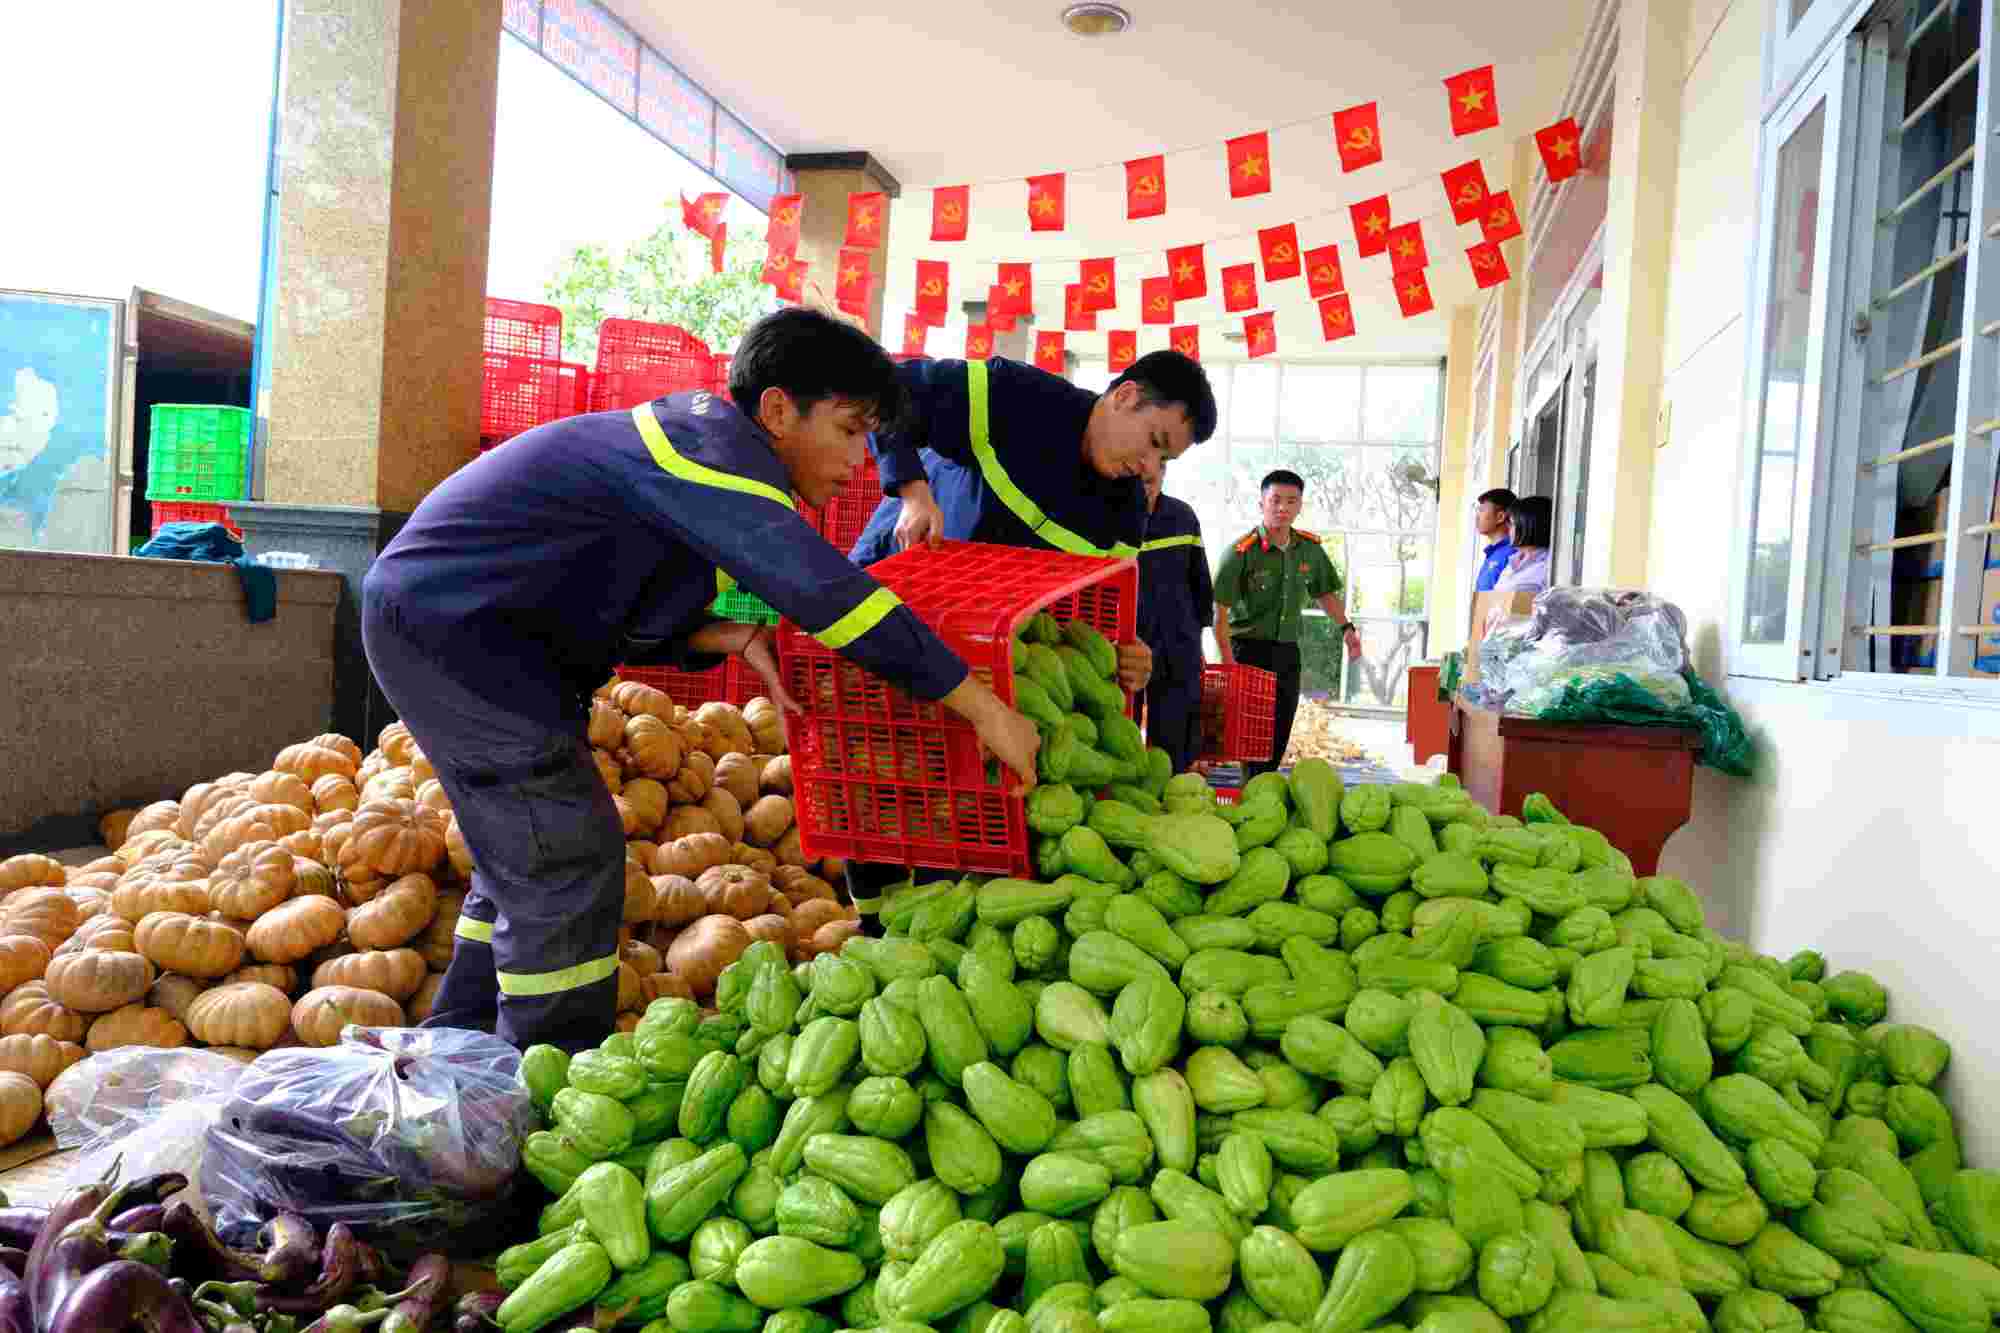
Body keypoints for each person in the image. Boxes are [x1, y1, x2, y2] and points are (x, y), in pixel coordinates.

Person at [359, 307, 1041, 1051]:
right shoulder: (707, 450)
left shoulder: (701, 457)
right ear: (778, 409)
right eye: (849, 430)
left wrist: (730, 636)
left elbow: (618, 593)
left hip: (487, 636)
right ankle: (542, 1093)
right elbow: (828, 595)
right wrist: (981, 706)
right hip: (458, 630)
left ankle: (458, 1059)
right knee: (566, 855)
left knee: (525, 855)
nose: (859, 460)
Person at [846, 348, 1219, 931]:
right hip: (901, 602)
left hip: (995, 656)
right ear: (1124, 397)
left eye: (1164, 458)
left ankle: (934, 930)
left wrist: (1127, 652)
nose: (1149, 465)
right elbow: (884, 384)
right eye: (1152, 441)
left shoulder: (1121, 507)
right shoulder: (1011, 396)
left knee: (957, 798)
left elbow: (1101, 607)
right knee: (877, 777)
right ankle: (868, 926)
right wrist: (913, 492)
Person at [1213, 469, 1361, 779]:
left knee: (1280, 727)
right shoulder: (1240, 552)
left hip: (1287, 653)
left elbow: (1324, 593)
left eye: (1291, 501)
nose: (1283, 508)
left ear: (1299, 506)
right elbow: (1220, 614)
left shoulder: (1309, 549)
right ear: (1261, 504)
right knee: (1251, 733)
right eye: (1275, 500)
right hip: (1248, 652)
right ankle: (1253, 789)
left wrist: (1347, 629)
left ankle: (1264, 785)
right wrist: (1228, 662)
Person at [1136, 469, 1212, 775]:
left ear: (1164, 472)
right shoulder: (1107, 517)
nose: (1146, 488)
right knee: (1118, 722)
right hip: (1126, 639)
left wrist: (1199, 637)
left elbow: (1199, 578)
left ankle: (1174, 788)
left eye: (1152, 480)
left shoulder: (1182, 516)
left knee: (1175, 729)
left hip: (1178, 638)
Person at [1493, 495, 1554, 593]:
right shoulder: (1513, 561)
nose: (1508, 529)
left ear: (1529, 526)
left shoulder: (1548, 566)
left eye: (1512, 524)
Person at [1472, 487, 1518, 592]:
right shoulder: (1493, 553)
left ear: (1500, 517)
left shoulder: (1514, 553)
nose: (1477, 517)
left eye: (1482, 510)